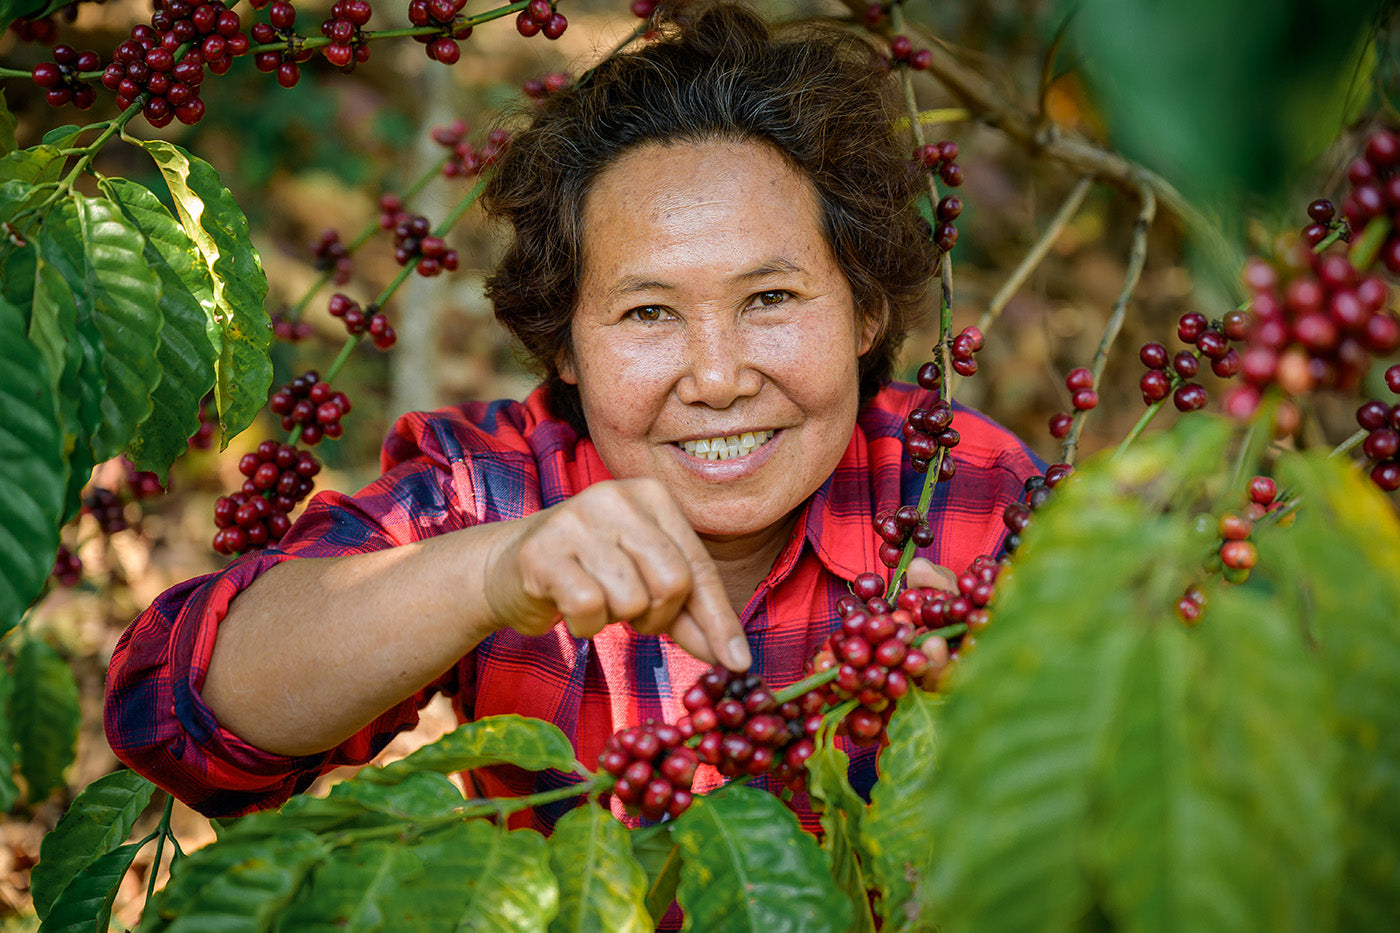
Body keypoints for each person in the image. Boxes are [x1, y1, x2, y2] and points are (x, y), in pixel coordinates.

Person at [103, 2, 1040, 838]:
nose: (715, 377)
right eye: (648, 313)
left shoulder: (964, 490)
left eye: (771, 298)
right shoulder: (494, 491)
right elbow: (178, 715)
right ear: (565, 343)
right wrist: (494, 574)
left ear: (865, 310)